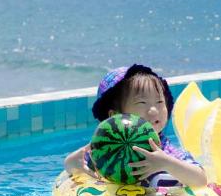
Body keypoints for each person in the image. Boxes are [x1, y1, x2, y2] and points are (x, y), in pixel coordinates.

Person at [64, 64, 207, 189]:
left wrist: (167, 163)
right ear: (115, 116)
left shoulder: (167, 152)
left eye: (159, 102)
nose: (153, 110)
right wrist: (72, 162)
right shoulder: (105, 151)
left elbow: (201, 180)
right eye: (142, 103)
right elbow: (70, 167)